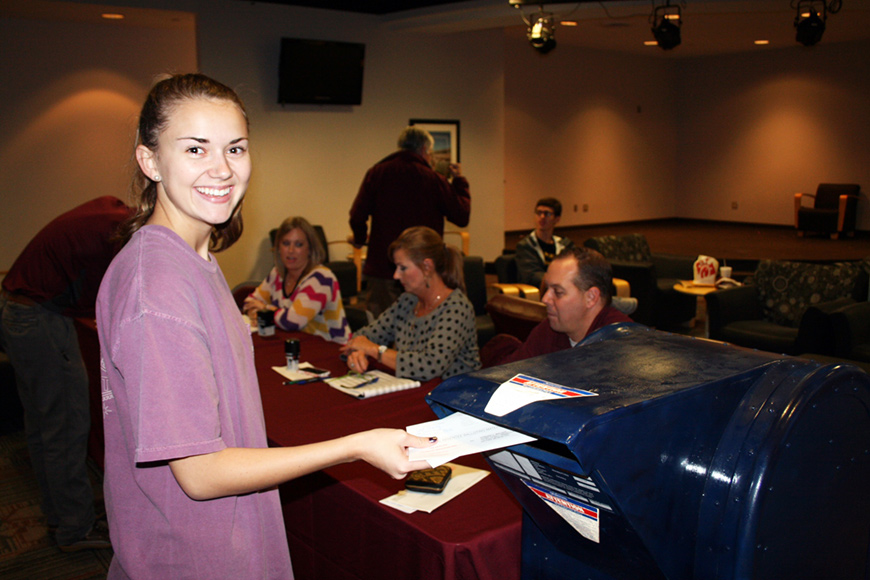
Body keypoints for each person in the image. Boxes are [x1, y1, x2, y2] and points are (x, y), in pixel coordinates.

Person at [95, 73, 434, 579]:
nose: (221, 169)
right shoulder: (158, 285)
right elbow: (200, 472)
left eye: (235, 149)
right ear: (150, 161)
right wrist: (355, 446)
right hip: (192, 556)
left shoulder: (194, 259)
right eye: (194, 149)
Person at [0, 195, 131, 552]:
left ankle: (63, 513)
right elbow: (110, 303)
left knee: (44, 426)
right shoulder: (121, 237)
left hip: (19, 311)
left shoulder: (114, 210)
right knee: (67, 425)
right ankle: (75, 528)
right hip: (41, 319)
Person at [349, 126, 471, 316]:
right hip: (422, 269)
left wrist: (359, 238)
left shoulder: (377, 172)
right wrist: (459, 182)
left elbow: (357, 215)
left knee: (381, 326)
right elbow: (462, 216)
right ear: (424, 150)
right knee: (421, 325)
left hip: (384, 266)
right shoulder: (434, 179)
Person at [341, 226, 480, 381]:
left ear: (427, 267)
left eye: (403, 268)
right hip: (417, 390)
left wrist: (374, 351)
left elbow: (430, 366)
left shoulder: (457, 308)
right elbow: (365, 336)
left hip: (455, 398)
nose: (396, 275)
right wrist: (358, 352)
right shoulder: (408, 301)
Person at [485, 247, 634, 366]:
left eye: (558, 292)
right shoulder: (549, 330)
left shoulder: (623, 344)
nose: (545, 299)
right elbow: (506, 374)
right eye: (547, 288)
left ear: (591, 297)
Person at [243, 216, 351, 344]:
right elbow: (249, 303)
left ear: (310, 249)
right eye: (286, 243)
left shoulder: (321, 278)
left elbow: (292, 322)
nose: (291, 250)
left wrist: (264, 308)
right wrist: (265, 312)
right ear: (278, 247)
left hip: (332, 350)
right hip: (298, 345)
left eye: (298, 244)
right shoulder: (277, 273)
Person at [515, 197, 575, 288]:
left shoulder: (564, 245)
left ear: (557, 219)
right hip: (537, 292)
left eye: (547, 214)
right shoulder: (525, 246)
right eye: (539, 213)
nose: (542, 217)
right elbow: (532, 276)